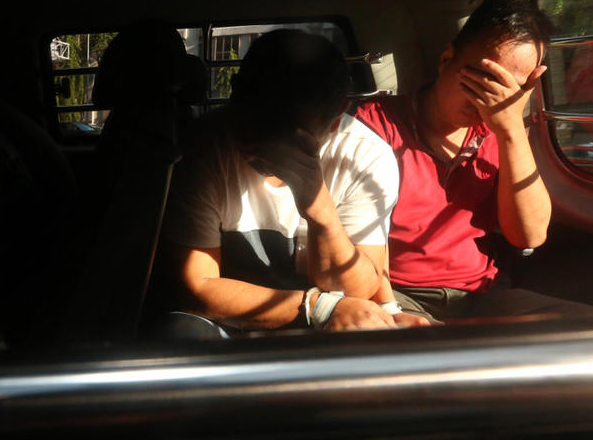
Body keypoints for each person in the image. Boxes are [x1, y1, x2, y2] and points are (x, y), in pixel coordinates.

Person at [157, 29, 426, 337]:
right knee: (180, 331)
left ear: (337, 117)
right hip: (227, 324)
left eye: (290, 137)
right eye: (253, 124)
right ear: (235, 93)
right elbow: (196, 288)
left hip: (323, 328)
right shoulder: (204, 148)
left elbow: (358, 290)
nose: (265, 148)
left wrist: (319, 208)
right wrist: (317, 307)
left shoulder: (365, 156)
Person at [354, 0, 593, 320]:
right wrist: (388, 308)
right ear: (446, 59)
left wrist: (511, 128)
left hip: (482, 293)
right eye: (481, 79)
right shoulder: (369, 126)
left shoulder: (503, 132)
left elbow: (530, 235)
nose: (487, 99)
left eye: (507, 89)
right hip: (397, 293)